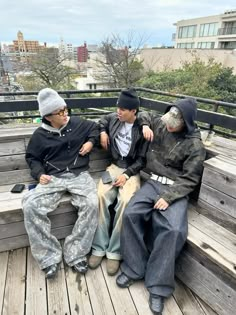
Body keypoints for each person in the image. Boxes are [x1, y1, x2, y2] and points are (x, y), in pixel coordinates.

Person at [116, 98, 206, 315]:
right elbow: (146, 115)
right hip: (152, 182)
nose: (167, 126)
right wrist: (146, 125)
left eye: (173, 124)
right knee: (131, 214)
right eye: (166, 121)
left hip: (175, 189)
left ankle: (158, 287)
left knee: (174, 230)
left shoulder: (194, 144)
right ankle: (134, 268)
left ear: (185, 123)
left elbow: (190, 179)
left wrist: (169, 196)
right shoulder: (161, 122)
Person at [22, 88, 99, 279]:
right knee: (31, 206)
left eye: (65, 109)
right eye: (60, 112)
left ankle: (76, 253)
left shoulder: (77, 124)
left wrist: (91, 142)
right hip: (53, 178)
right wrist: (39, 174)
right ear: (48, 117)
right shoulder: (39, 136)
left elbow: (96, 128)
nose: (66, 114)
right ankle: (48, 257)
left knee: (91, 204)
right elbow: (32, 158)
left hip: (79, 175)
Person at [88, 88, 148, 276]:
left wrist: (127, 175)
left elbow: (142, 160)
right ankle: (98, 248)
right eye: (118, 107)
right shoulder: (114, 119)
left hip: (131, 170)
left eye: (123, 109)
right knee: (100, 196)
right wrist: (104, 132)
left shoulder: (141, 127)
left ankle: (114, 252)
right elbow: (102, 120)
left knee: (125, 201)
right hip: (114, 166)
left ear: (134, 111)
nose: (118, 111)